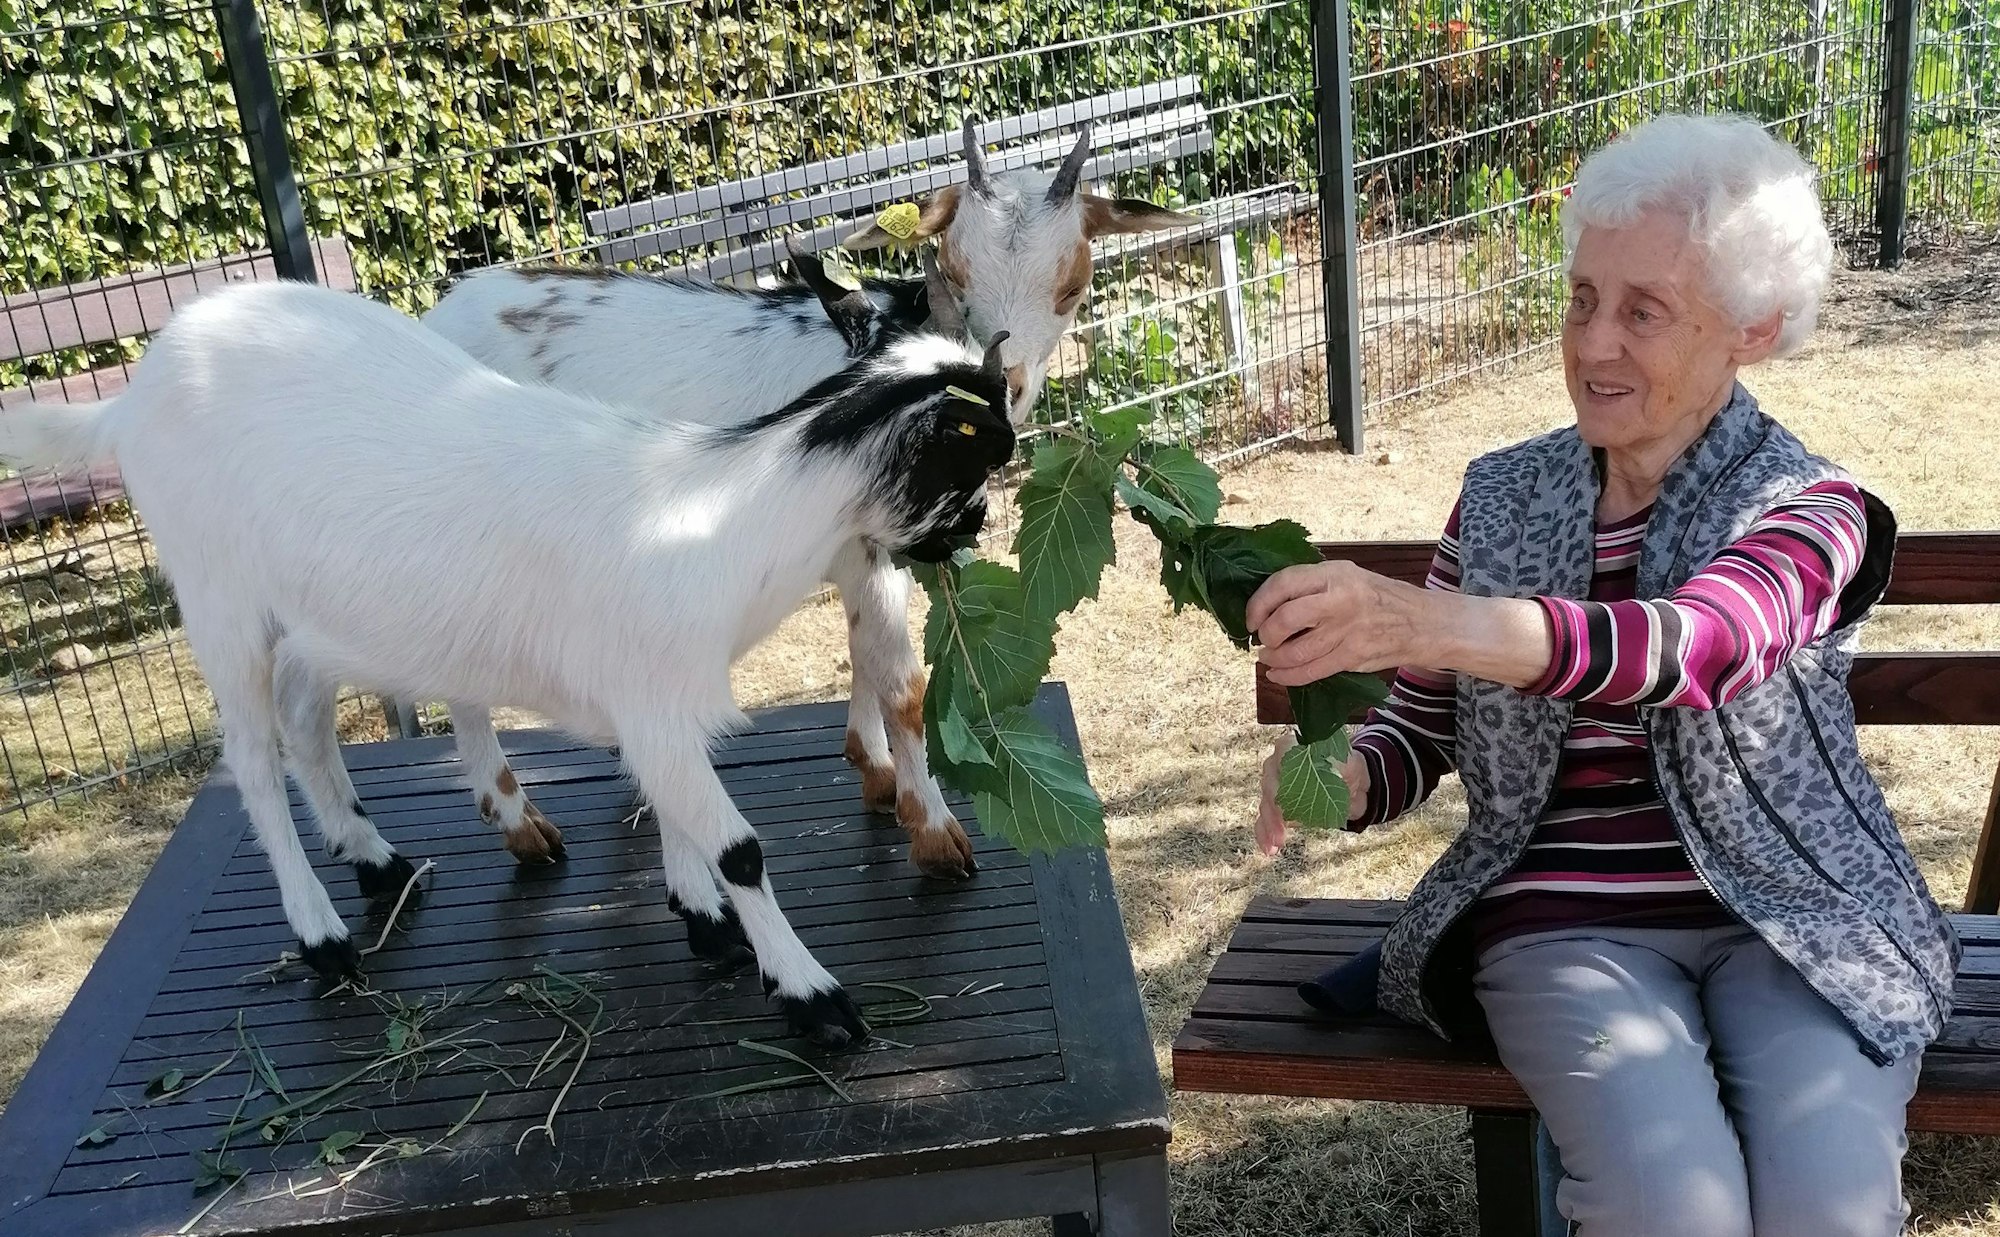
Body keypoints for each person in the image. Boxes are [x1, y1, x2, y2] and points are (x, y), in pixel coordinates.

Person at [1246, 112, 1960, 1237]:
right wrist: (1333, 774)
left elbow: (1693, 649)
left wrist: (1431, 619)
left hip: (1791, 917)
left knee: (1830, 1206)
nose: (1591, 346)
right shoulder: (1499, 494)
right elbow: (1420, 733)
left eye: (1643, 311)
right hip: (1562, 922)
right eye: (1581, 299)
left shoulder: (1808, 509)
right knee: (1671, 1209)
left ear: (1752, 330)